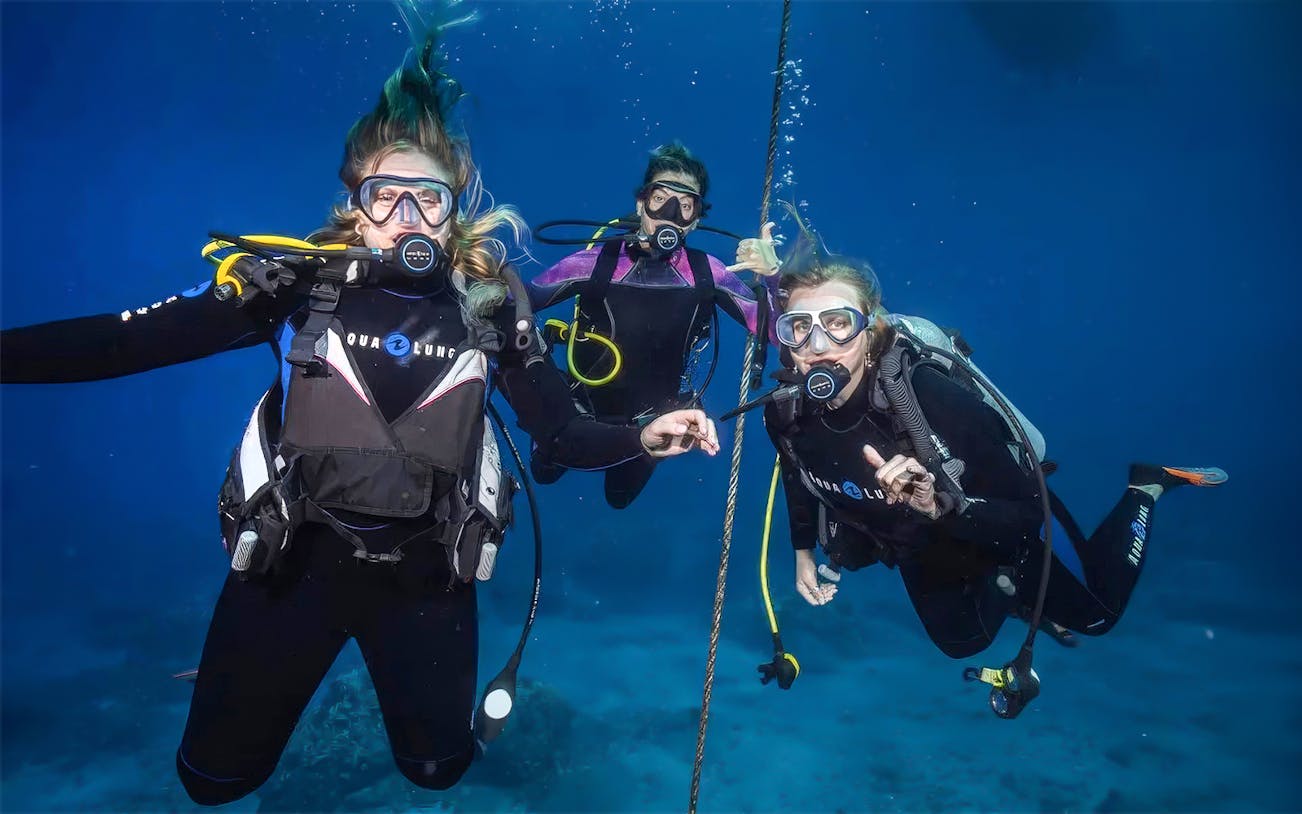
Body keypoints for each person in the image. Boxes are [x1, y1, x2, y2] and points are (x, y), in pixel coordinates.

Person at [0, 26, 718, 805]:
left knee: (435, 772)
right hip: (288, 568)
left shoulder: (488, 309)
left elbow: (564, 433)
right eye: (387, 195)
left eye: (429, 198)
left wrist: (641, 435)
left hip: (428, 579)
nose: (408, 214)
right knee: (211, 781)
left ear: (455, 211)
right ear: (355, 205)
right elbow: (119, 344)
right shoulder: (294, 287)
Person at [745, 216, 1225, 701]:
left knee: (1099, 615)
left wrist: (937, 505)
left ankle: (1145, 487)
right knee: (960, 643)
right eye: (798, 327)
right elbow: (796, 474)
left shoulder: (932, 398)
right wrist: (803, 549)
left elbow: (1026, 513)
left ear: (870, 330)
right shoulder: (786, 412)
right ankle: (1011, 600)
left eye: (839, 323)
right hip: (913, 542)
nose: (818, 345)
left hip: (994, 533)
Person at [525, 142, 779, 508]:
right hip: (580, 410)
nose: (670, 214)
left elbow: (775, 332)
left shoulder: (710, 274)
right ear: (641, 203)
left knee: (619, 497)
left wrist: (772, 276)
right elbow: (515, 306)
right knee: (543, 473)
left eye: (685, 205)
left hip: (650, 421)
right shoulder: (594, 263)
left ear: (696, 220)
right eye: (660, 198)